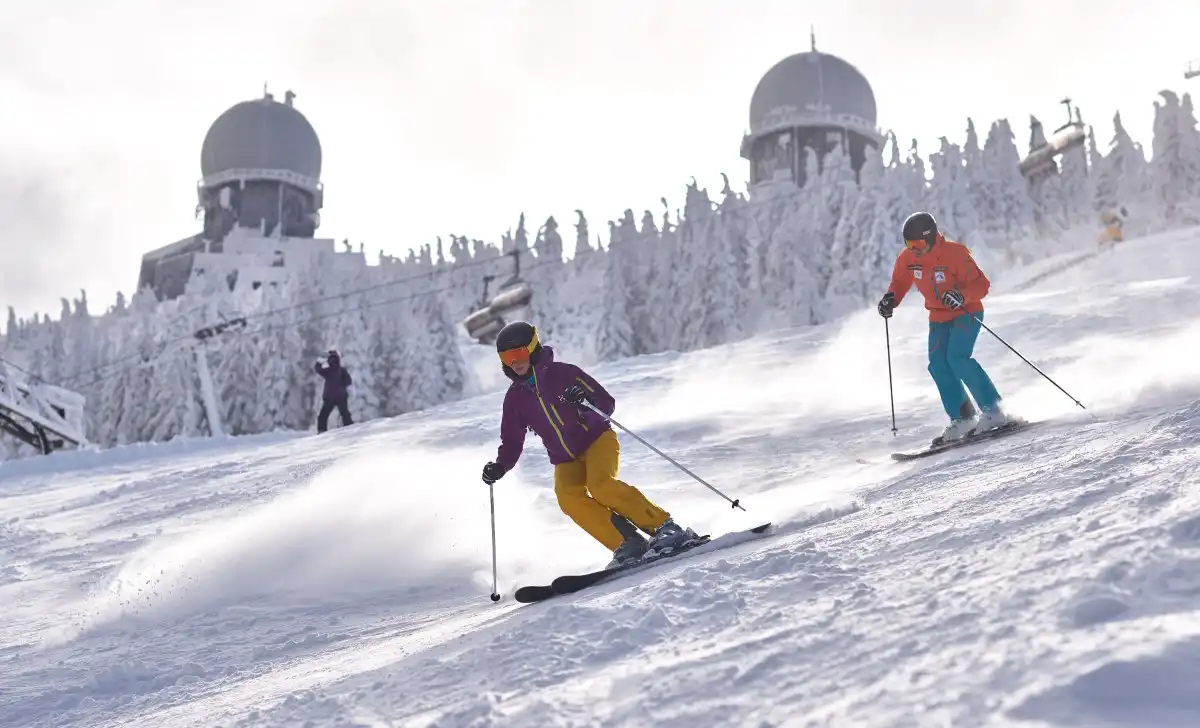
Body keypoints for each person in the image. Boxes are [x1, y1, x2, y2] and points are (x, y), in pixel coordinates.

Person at [481, 321, 697, 568]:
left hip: (597, 440)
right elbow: (511, 440)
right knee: (568, 497)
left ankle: (664, 527)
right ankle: (627, 542)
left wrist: (585, 403)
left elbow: (606, 403)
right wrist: (500, 466)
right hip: (565, 458)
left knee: (601, 485)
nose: (514, 362)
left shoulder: (563, 374)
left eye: (518, 353)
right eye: (506, 357)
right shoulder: (515, 400)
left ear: (532, 348)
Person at [876, 211, 1015, 444]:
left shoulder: (955, 254)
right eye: (909, 244)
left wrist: (961, 295)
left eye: (918, 243)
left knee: (957, 358)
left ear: (930, 238)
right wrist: (891, 299)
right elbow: (900, 282)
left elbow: (982, 285)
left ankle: (994, 411)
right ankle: (963, 418)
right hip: (938, 316)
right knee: (938, 364)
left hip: (965, 312)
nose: (914, 249)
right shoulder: (908, 258)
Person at [314, 349, 353, 432]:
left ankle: (322, 431)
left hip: (330, 397)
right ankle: (350, 429)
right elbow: (348, 381)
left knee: (323, 416)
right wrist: (347, 389)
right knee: (345, 414)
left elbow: (317, 369)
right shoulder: (341, 370)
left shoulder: (329, 371)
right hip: (341, 396)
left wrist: (320, 359)